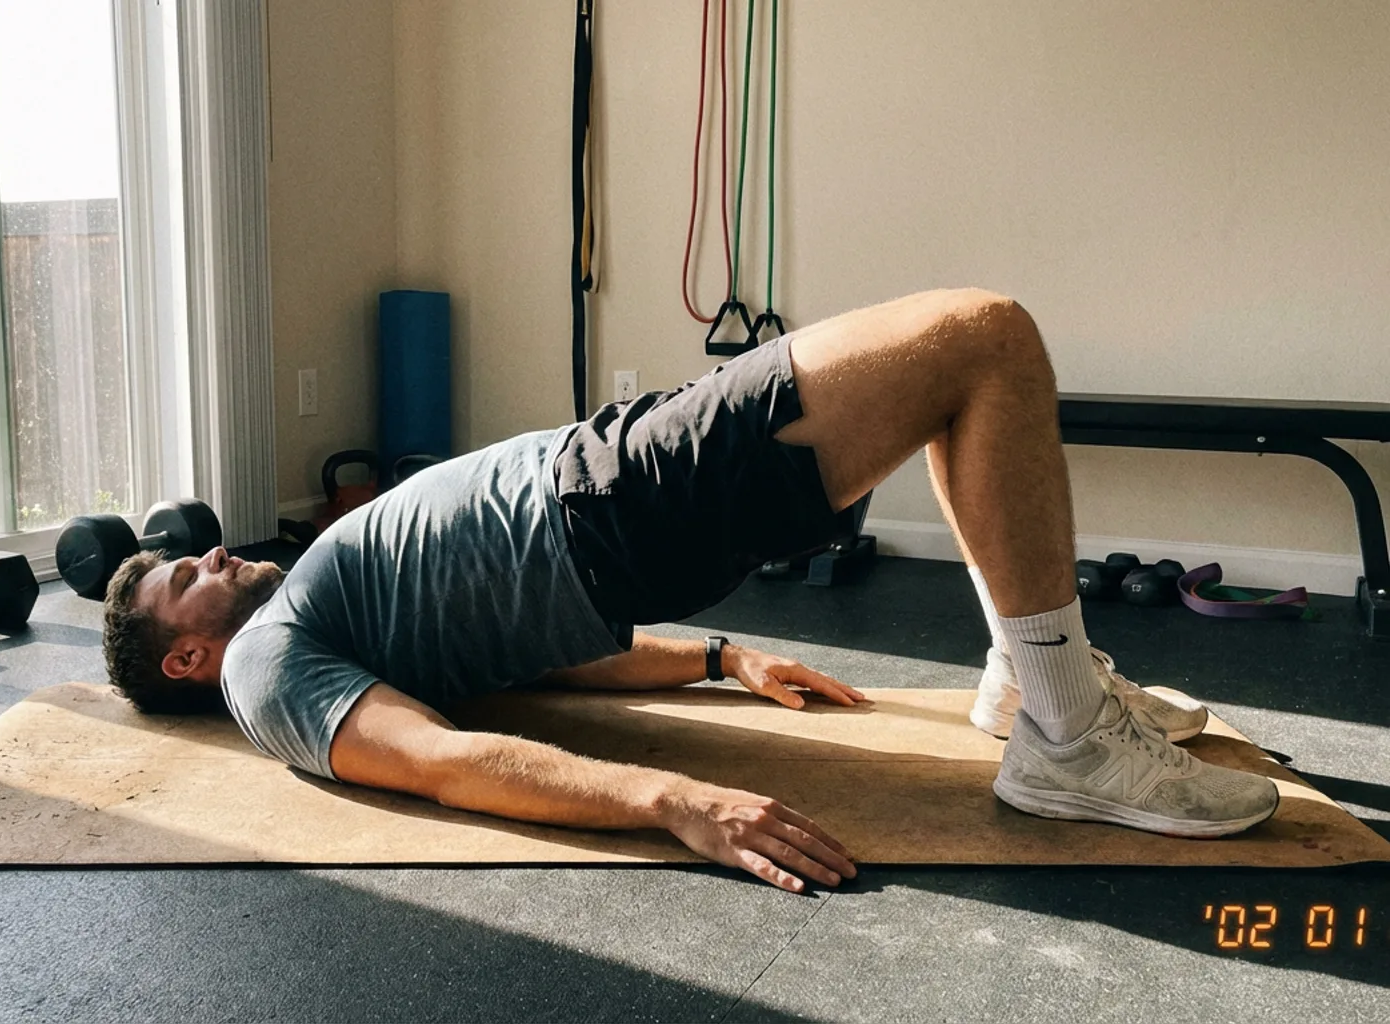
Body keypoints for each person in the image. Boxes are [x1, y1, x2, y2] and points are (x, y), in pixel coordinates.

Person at [101, 288, 1279, 894]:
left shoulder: (315, 610)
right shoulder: (268, 669)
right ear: (187, 660)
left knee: (966, 367)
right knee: (984, 339)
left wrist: (720, 659)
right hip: (609, 498)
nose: (205, 557)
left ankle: (1034, 681)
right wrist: (673, 798)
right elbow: (436, 756)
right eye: (178, 584)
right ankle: (1062, 731)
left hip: (608, 490)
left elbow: (526, 650)